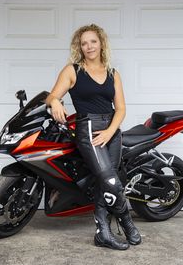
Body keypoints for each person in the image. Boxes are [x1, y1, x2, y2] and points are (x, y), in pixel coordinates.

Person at [45, 24, 141, 250]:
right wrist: (56, 101)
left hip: (111, 131)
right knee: (111, 181)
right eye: (84, 43)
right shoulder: (73, 70)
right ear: (80, 46)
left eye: (93, 41)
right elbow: (51, 96)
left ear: (101, 43)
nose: (89, 46)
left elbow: (121, 108)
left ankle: (103, 233)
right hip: (89, 129)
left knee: (103, 182)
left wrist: (110, 132)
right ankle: (127, 222)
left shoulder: (112, 73)